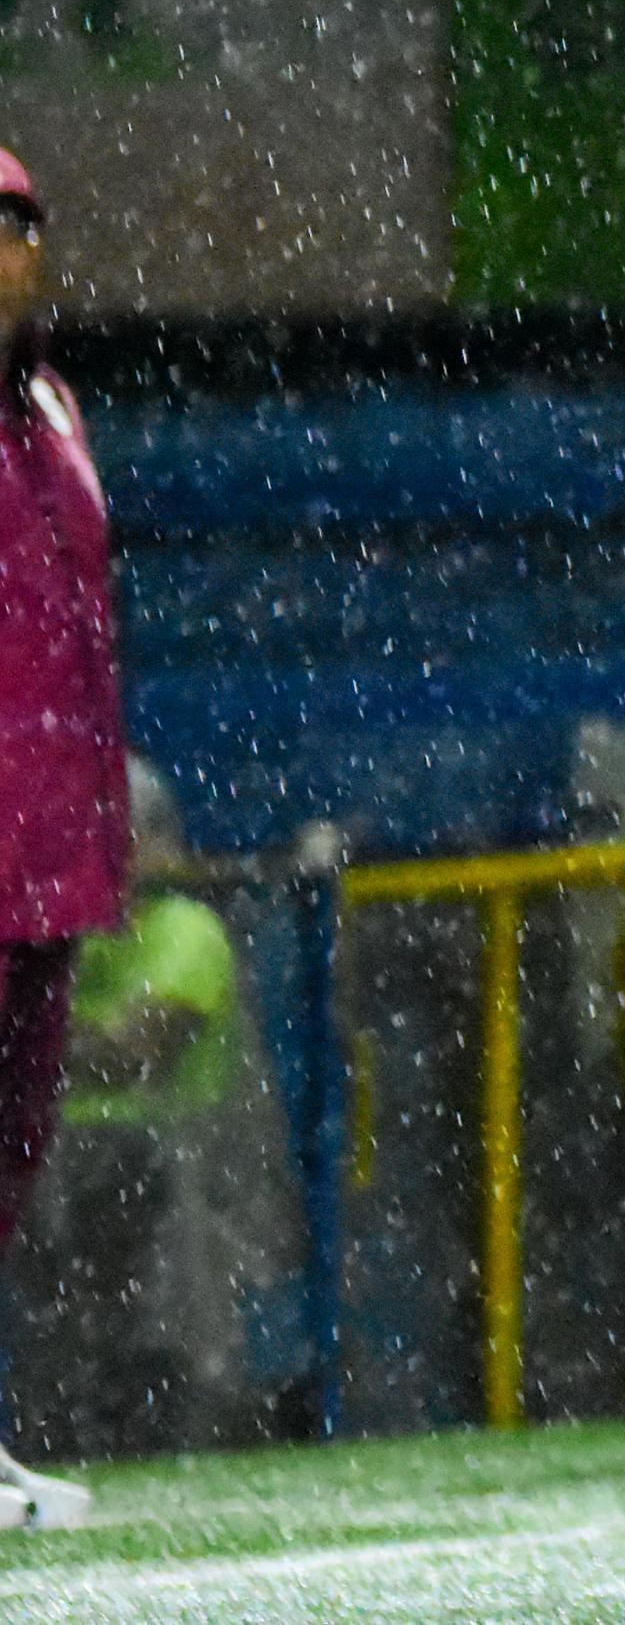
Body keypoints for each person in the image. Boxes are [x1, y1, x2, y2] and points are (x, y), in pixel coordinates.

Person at [24, 756, 289, 1458]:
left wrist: (31, 1028)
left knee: (145, 1323)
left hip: (170, 1185)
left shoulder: (186, 929)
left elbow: (136, 1053)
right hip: (53, 1178)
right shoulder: (57, 945)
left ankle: (153, 1427)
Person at [0, 146, 122, 1527]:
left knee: (13, 1143)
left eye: (22, 226)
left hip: (49, 841)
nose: (8, 253)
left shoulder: (54, 405)